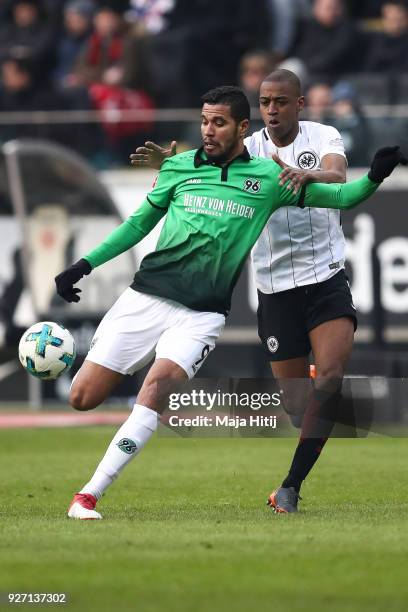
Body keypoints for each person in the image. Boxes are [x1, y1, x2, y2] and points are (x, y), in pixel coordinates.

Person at [56, 85, 405, 519]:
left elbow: (339, 197)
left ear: (242, 128)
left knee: (158, 388)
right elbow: (137, 225)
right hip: (145, 298)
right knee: (82, 397)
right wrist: (82, 265)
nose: (207, 130)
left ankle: (87, 496)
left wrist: (374, 176)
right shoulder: (178, 168)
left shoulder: (266, 179)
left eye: (218, 122)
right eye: (204, 121)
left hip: (202, 315)